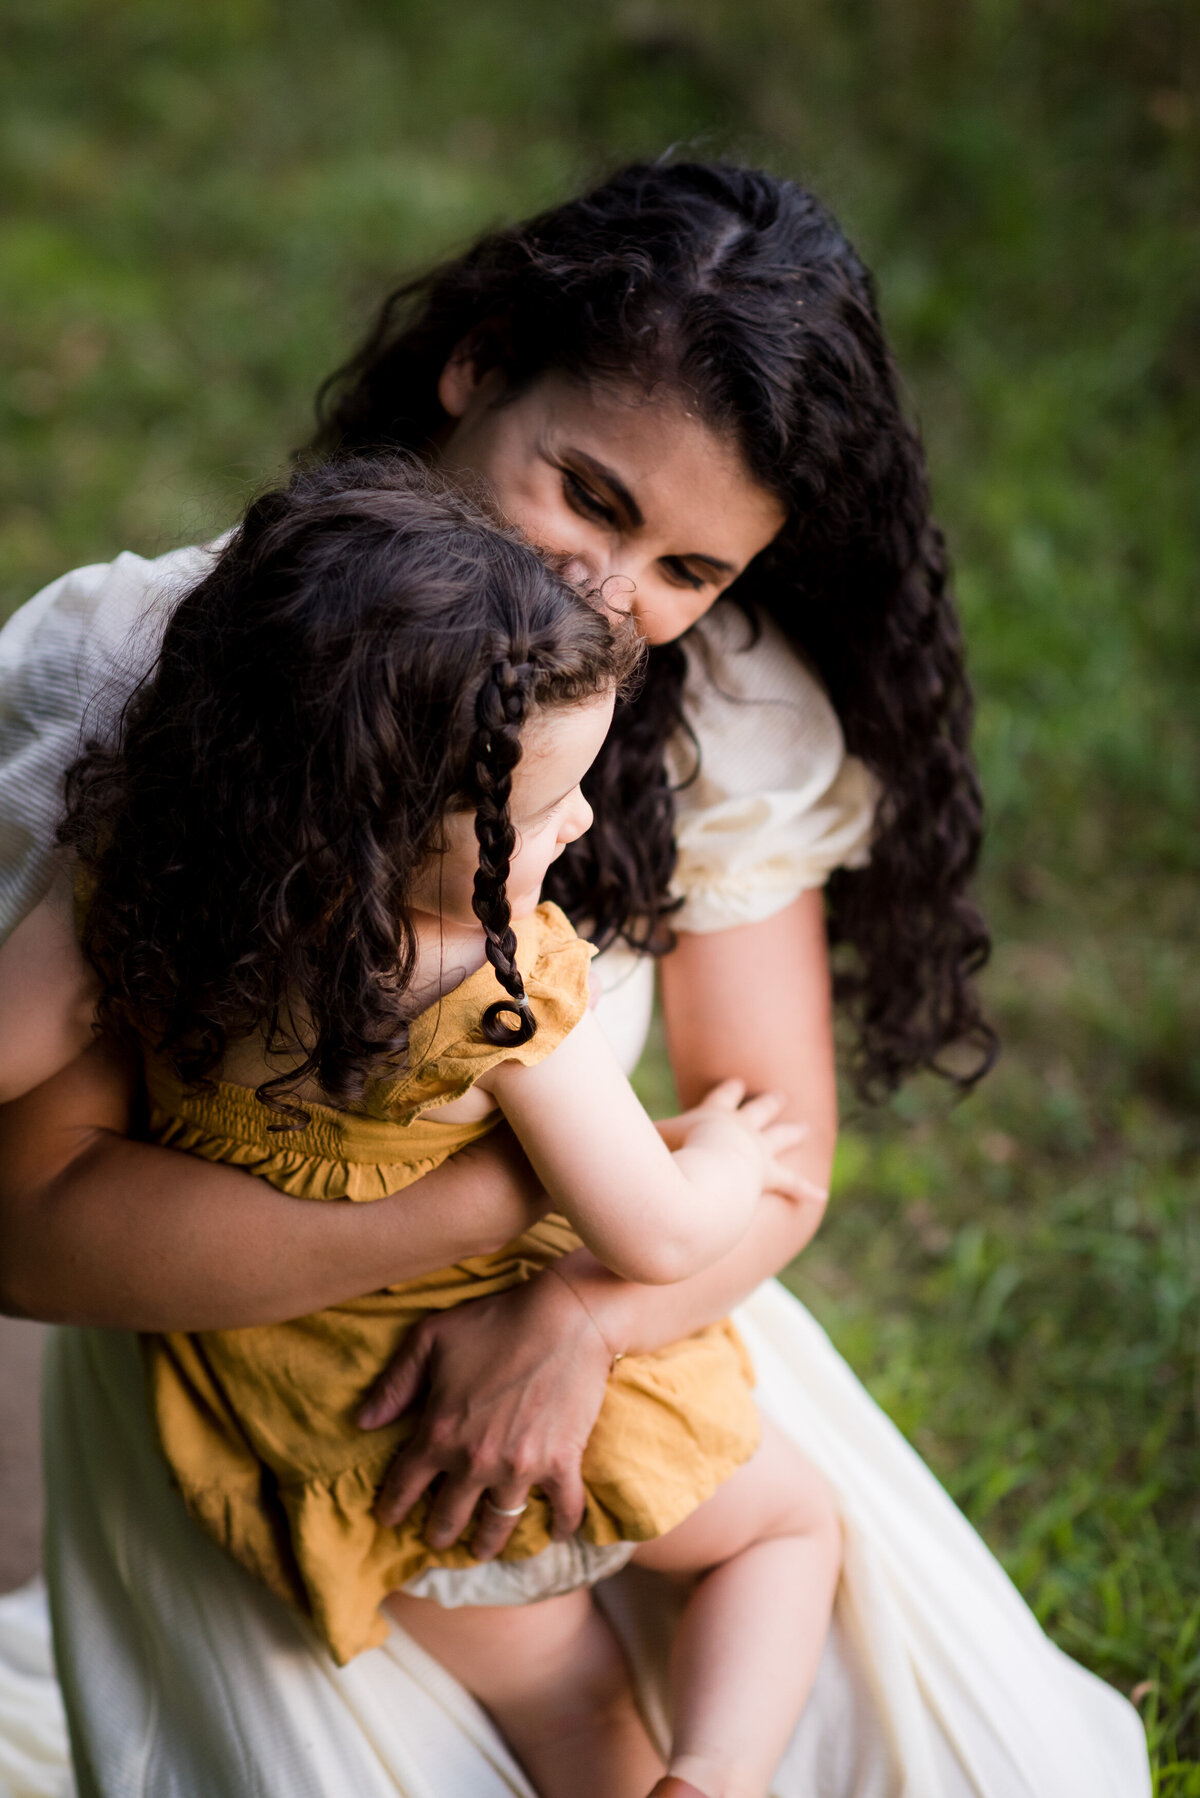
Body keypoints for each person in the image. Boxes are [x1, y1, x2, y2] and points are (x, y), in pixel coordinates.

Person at [0, 161, 1149, 1796]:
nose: (615, 602)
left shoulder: (708, 709)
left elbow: (779, 1142)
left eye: (692, 572)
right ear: (474, 363)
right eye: (596, 500)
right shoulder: (192, 679)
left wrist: (582, 1316)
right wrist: (493, 1218)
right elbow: (27, 1233)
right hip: (243, 1367)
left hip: (624, 1333)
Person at [23, 454, 839, 1798]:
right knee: (788, 1531)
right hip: (505, 1395)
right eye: (538, 812)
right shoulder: (496, 997)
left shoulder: (150, 877)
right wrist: (728, 1155)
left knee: (568, 1697)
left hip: (328, 1427)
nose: (576, 818)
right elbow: (653, 1230)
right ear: (392, 828)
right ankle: (714, 1774)